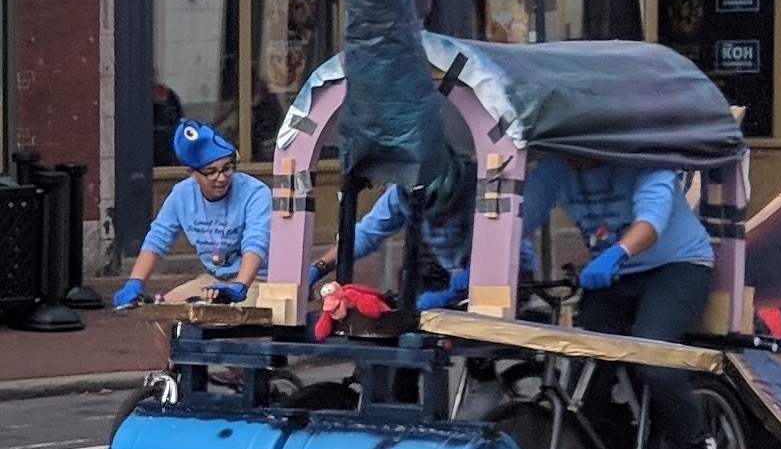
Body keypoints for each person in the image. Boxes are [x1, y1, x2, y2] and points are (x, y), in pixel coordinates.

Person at [519, 153, 720, 449]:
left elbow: (652, 220)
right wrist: (479, 264)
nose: (576, 156)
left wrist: (618, 252)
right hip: (611, 275)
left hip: (676, 265)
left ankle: (695, 443)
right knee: (585, 371)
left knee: (653, 357)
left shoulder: (641, 157)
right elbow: (519, 218)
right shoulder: (557, 166)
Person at [308, 151, 536, 309]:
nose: (435, 222)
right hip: (455, 275)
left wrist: (462, 285)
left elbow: (500, 251)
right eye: (429, 216)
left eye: (442, 215)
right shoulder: (403, 193)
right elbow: (365, 235)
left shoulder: (480, 191)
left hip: (510, 274)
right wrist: (318, 269)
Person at [112, 120, 271, 308]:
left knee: (225, 313)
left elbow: (256, 242)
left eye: (227, 168)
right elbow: (158, 238)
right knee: (163, 313)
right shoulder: (181, 194)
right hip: (212, 280)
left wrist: (240, 286)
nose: (221, 178)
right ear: (192, 173)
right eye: (211, 172)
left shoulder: (255, 192)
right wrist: (135, 282)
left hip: (259, 279)